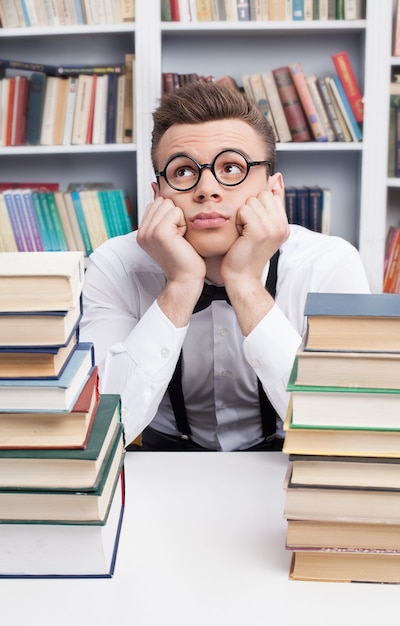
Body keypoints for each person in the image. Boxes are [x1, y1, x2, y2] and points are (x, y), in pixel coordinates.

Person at [80, 81, 370, 452]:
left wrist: (246, 284)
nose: (207, 189)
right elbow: (97, 429)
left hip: (288, 459)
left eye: (232, 167)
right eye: (183, 171)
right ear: (158, 196)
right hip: (162, 462)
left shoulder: (329, 264)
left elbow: (341, 429)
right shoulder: (114, 264)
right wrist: (181, 286)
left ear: (274, 191)